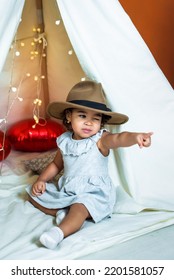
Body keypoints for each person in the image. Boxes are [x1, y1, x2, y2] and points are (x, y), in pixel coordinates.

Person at [26, 80, 153, 249]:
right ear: (69, 116)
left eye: (96, 118)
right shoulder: (65, 141)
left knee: (80, 207)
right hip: (69, 190)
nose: (89, 122)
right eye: (82, 116)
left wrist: (136, 137)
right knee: (33, 194)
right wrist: (41, 180)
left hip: (93, 193)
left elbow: (119, 138)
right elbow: (56, 165)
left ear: (101, 122)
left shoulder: (101, 139)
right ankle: (63, 212)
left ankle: (58, 233)